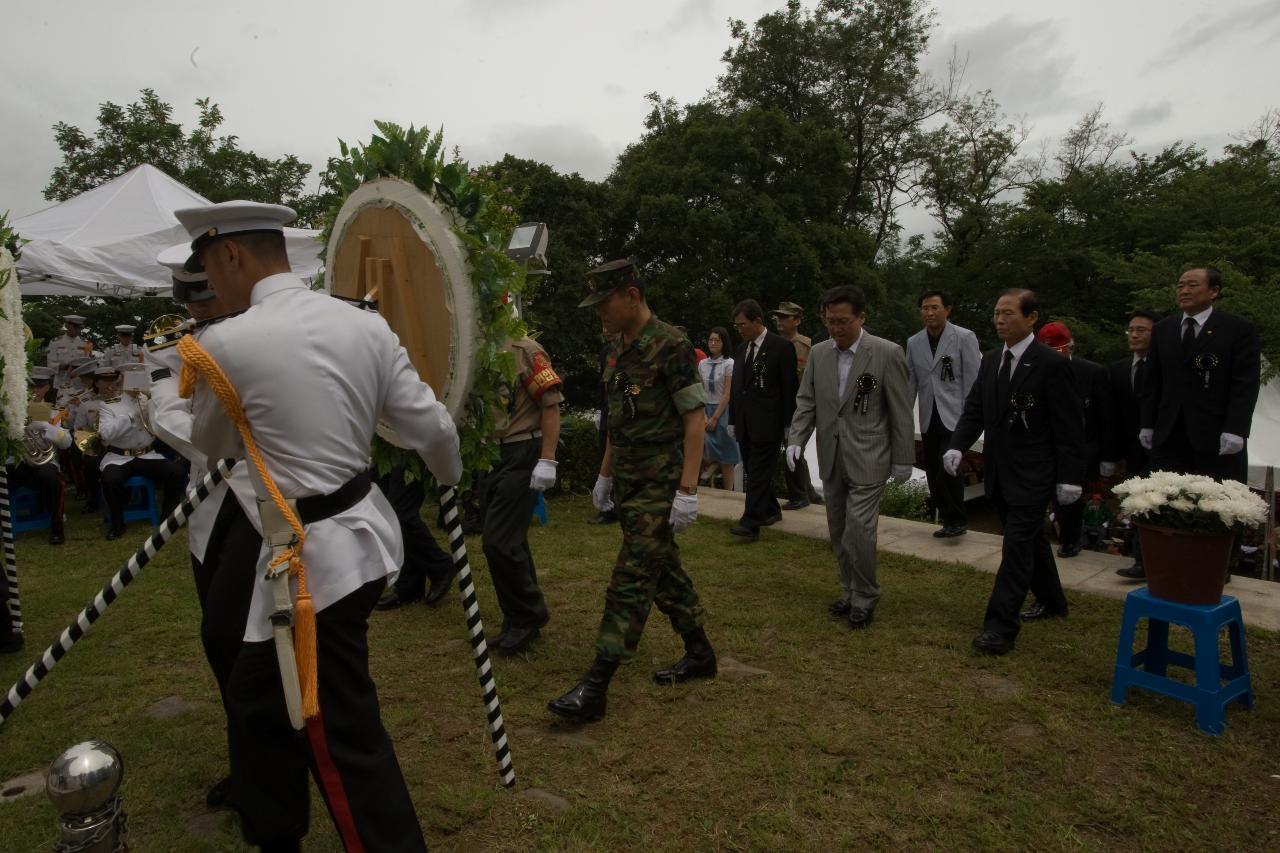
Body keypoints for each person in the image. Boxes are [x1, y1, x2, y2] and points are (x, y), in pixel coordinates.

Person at [176, 200, 460, 851]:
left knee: (337, 733)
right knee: (255, 699)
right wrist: (448, 477)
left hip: (314, 568)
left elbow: (216, 446)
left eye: (207, 267)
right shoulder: (363, 323)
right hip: (356, 537)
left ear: (232, 255)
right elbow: (433, 428)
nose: (207, 286)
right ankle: (274, 831)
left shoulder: (223, 344)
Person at [548, 258, 714, 724]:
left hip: (660, 483)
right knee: (661, 568)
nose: (599, 313)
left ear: (632, 296)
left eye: (605, 303)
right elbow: (619, 422)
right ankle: (700, 652)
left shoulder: (672, 345)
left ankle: (596, 684)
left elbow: (694, 418)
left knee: (632, 577)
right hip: (628, 480)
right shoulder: (614, 348)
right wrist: (604, 475)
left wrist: (688, 488)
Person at [145, 246, 263, 810]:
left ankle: (263, 771)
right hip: (210, 513)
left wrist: (161, 399)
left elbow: (214, 437)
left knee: (240, 647)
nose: (195, 312)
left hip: (253, 509)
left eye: (202, 296)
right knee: (223, 646)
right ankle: (248, 764)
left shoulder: (250, 343)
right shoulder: (200, 343)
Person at [945, 289, 1083, 656]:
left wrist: (1070, 476)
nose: (1000, 319)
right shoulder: (991, 360)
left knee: (1017, 546)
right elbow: (975, 408)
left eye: (1008, 313)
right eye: (996, 313)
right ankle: (1053, 601)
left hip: (1034, 473)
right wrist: (958, 444)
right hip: (1000, 471)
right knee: (1031, 541)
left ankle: (1000, 627)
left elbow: (1069, 426)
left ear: (1031, 317)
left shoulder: (1051, 364)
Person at [785, 286, 914, 629]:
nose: (836, 328)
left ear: (861, 317)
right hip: (831, 452)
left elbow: (901, 410)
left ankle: (866, 595)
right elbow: (806, 400)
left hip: (870, 455)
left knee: (859, 528)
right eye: (829, 322)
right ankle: (849, 589)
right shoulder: (820, 353)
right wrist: (796, 438)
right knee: (839, 528)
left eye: (843, 321)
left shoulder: (887, 353)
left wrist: (904, 458)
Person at [473, 332, 563, 656]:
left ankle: (528, 615)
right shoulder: (477, 349)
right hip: (491, 455)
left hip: (521, 450)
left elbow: (550, 405)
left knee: (498, 541)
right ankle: (516, 618)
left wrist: (547, 459)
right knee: (508, 541)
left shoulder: (524, 350)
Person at [1140, 267, 1261, 485]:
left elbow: (1245, 383)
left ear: (1214, 291)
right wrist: (1147, 423)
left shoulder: (1238, 329)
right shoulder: (1163, 329)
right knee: (1164, 500)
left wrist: (1236, 429)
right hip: (1169, 434)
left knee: (1215, 504)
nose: (1184, 291)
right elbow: (1152, 382)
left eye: (1192, 285)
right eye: (1180, 286)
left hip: (1216, 434)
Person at [1035, 321, 1116, 560]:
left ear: (1070, 347)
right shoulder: (1034, 370)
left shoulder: (1093, 372)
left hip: (1080, 447)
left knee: (1069, 498)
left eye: (1058, 350)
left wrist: (1107, 455)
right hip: (1044, 446)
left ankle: (1071, 538)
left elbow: (1105, 417)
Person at [905, 290, 981, 538]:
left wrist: (972, 415)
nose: (929, 313)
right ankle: (948, 518)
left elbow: (972, 380)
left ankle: (957, 519)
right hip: (928, 415)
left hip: (955, 415)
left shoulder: (964, 337)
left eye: (934, 307)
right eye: (925, 308)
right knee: (932, 469)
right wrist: (905, 413)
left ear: (947, 309)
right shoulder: (914, 342)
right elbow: (911, 382)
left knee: (947, 465)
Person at [729, 298, 797, 541]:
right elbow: (738, 387)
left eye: (743, 324)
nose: (740, 329)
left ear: (758, 321)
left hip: (769, 422)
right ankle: (771, 509)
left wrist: (790, 425)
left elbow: (789, 388)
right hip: (745, 422)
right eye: (737, 325)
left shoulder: (781, 347)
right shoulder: (741, 349)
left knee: (757, 472)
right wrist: (732, 419)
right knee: (752, 469)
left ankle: (750, 522)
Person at [93, 365, 186, 540]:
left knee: (176, 472)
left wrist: (153, 407)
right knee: (110, 479)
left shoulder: (150, 400)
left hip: (147, 454)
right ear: (123, 380)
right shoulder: (109, 404)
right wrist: (131, 415)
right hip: (119, 457)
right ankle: (117, 525)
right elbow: (105, 434)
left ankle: (168, 518)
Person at [1110, 309, 1158, 580]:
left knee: (1158, 505)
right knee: (1138, 504)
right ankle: (1141, 561)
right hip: (1132, 452)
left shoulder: (1167, 368)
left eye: (1141, 330)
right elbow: (1113, 415)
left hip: (1165, 451)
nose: (1134, 335)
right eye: (1131, 329)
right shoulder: (1118, 370)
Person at [372, 466, 455, 610]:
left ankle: (440, 565)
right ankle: (410, 586)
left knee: (401, 513)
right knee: (383, 506)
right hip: (387, 448)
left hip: (411, 450)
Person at [8, 369, 71, 545]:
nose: (35, 390)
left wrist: (46, 427)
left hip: (44, 462)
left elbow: (66, 442)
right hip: (18, 461)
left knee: (51, 479)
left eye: (40, 386)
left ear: (47, 388)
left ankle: (57, 528)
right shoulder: (12, 412)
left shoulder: (54, 412)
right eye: (31, 386)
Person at [772, 301, 823, 510]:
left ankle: (799, 495)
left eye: (785, 317)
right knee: (794, 451)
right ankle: (809, 492)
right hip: (778, 407)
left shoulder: (809, 347)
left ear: (797, 320)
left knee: (792, 450)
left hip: (802, 408)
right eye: (778, 317)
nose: (780, 321)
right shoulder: (771, 344)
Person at [699, 326, 740, 490]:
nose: (713, 343)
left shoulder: (729, 363)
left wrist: (715, 417)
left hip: (723, 411)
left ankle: (729, 492)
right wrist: (703, 415)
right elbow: (700, 391)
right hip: (704, 409)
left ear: (724, 342)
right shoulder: (702, 363)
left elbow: (727, 393)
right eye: (711, 340)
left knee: (727, 455)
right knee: (703, 448)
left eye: (717, 340)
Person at [45, 314, 94, 382]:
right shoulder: (55, 342)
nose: (78, 330)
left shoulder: (87, 343)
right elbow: (50, 363)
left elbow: (88, 363)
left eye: (80, 328)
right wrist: (65, 367)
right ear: (68, 326)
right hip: (60, 380)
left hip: (79, 380)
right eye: (75, 327)